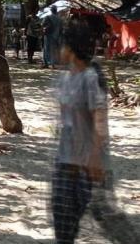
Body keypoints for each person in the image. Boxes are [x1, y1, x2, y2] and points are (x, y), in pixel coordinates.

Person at [50, 19, 138, 243]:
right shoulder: (65, 78)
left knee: (105, 217)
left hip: (88, 163)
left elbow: (100, 120)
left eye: (62, 45)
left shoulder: (90, 78)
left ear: (71, 49)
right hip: (66, 160)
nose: (58, 51)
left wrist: (95, 159)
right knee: (62, 220)